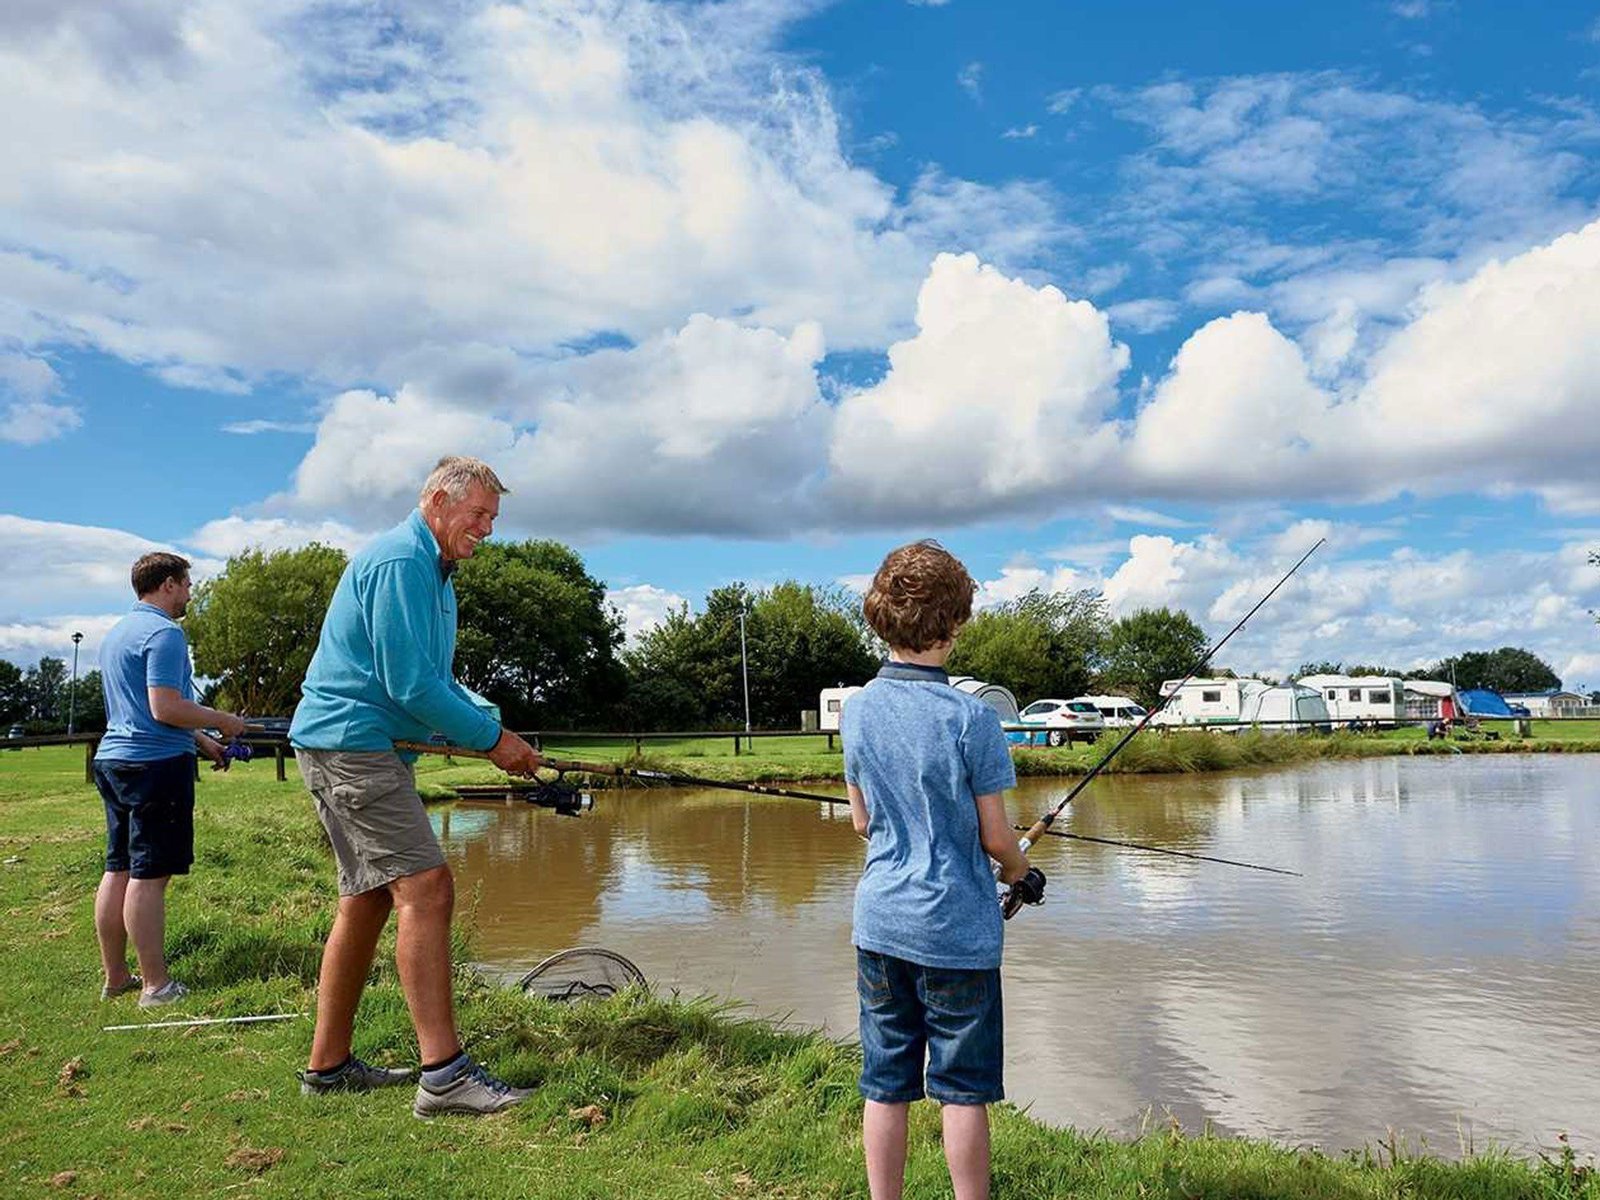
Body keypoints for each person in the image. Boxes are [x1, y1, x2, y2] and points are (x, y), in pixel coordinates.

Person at [290, 456, 543, 1118]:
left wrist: (491, 726)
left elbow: (436, 681)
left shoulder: (434, 574)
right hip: (353, 745)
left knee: (368, 900)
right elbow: (410, 686)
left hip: (364, 746)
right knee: (427, 888)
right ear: (437, 500)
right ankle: (445, 1076)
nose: (486, 529)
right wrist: (493, 744)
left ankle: (328, 1066)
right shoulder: (402, 561)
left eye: (492, 518)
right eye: (477, 514)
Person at [843, 540, 1046, 1200]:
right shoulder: (972, 717)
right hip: (955, 932)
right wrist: (1022, 874)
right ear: (955, 622)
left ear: (882, 618)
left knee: (885, 1083)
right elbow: (996, 836)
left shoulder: (860, 709)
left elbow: (862, 822)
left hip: (880, 925)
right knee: (962, 1091)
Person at [93, 552, 247, 1007]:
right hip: (154, 768)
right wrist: (225, 721)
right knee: (149, 875)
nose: (190, 592)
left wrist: (203, 742)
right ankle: (156, 987)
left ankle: (116, 977)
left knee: (117, 867)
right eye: (186, 583)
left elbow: (144, 710)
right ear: (166, 585)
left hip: (115, 761)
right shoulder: (166, 634)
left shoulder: (118, 633)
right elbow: (164, 707)